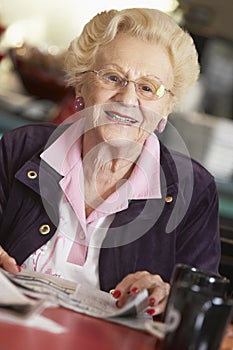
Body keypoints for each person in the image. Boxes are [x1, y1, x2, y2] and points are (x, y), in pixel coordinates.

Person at [0, 8, 220, 316]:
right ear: (81, 86)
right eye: (113, 77)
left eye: (147, 87)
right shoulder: (19, 148)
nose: (128, 99)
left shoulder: (194, 190)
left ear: (167, 107)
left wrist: (171, 298)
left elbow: (202, 310)